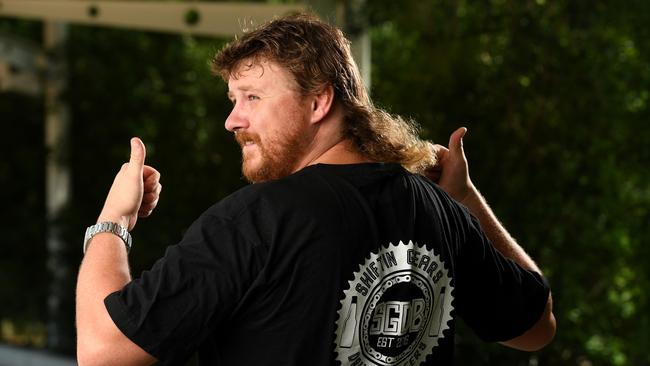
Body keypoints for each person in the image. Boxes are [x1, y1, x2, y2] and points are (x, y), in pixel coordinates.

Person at [75, 13, 555, 366]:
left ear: (318, 101)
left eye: (253, 98)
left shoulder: (254, 222)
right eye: (233, 100)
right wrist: (464, 199)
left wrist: (112, 221)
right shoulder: (438, 210)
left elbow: (101, 352)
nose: (231, 120)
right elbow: (537, 327)